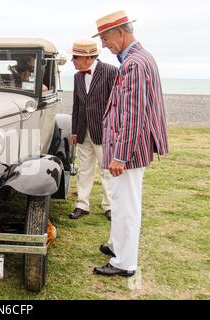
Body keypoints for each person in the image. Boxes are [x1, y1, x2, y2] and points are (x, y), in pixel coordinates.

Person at [91, 10, 169, 277]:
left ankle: (125, 263)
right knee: (120, 198)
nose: (103, 45)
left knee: (126, 205)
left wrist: (121, 156)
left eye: (105, 38)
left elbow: (133, 114)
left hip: (130, 152)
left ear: (120, 33)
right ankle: (117, 246)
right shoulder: (140, 58)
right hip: (132, 148)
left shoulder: (134, 63)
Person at [67, 40, 118, 221]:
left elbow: (116, 104)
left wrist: (114, 130)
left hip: (104, 131)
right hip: (82, 131)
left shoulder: (111, 71)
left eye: (75, 57)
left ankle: (110, 206)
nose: (72, 60)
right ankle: (82, 204)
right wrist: (74, 131)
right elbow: (77, 105)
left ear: (88, 57)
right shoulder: (77, 76)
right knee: (84, 169)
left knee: (107, 170)